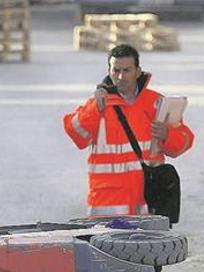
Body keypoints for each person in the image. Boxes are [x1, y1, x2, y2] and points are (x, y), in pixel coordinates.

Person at [63, 44, 194, 217]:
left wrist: (167, 135)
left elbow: (183, 143)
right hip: (107, 208)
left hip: (149, 206)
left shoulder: (156, 103)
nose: (121, 76)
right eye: (116, 70)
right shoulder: (99, 104)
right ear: (109, 71)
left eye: (127, 70)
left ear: (138, 71)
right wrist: (96, 107)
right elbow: (76, 134)